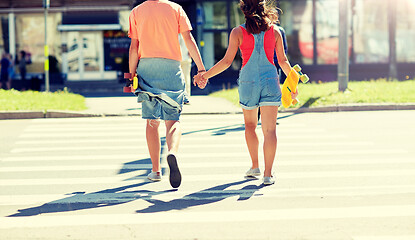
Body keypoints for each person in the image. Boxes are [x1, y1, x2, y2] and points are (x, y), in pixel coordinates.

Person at [194, 0, 298, 185]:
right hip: (270, 81)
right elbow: (282, 61)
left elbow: (227, 62)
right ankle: (267, 174)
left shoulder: (237, 32)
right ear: (265, 9)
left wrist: (205, 75)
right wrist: (293, 84)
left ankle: (255, 166)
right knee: (270, 130)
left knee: (250, 126)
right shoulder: (275, 31)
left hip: (248, 82)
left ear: (244, 10)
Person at [128, 0, 205, 188]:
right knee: (173, 120)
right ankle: (172, 152)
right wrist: (201, 69)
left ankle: (155, 170)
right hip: (171, 69)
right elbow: (189, 40)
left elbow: (134, 47)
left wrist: (131, 77)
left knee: (151, 122)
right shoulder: (176, 9)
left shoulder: (137, 11)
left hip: (146, 68)